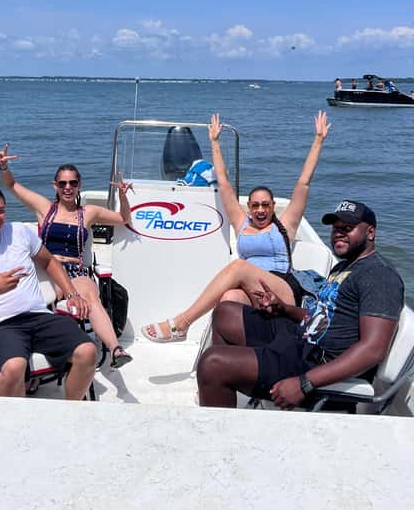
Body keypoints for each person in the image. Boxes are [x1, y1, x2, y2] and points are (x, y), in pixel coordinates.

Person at [141, 111, 331, 343]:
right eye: (255, 205)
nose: (261, 210)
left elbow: (304, 182)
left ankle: (182, 323)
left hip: (282, 289)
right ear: (249, 207)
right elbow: (223, 183)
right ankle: (221, 359)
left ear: (273, 206)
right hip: (251, 290)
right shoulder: (242, 224)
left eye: (265, 205)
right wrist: (214, 142)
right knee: (228, 299)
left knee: (240, 266)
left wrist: (319, 140)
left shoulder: (285, 225)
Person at [196, 200, 404, 408]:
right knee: (225, 312)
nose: (338, 233)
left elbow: (372, 349)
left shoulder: (379, 276)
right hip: (299, 339)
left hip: (315, 364)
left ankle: (222, 388)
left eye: (347, 228)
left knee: (212, 363)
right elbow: (320, 317)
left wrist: (305, 383)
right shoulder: (344, 268)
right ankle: (224, 390)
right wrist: (284, 309)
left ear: (370, 233)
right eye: (336, 229)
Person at [0, 185, 97, 399]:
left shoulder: (19, 232)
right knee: (15, 366)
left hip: (39, 317)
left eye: (0, 211)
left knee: (88, 352)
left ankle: (70, 412)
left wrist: (72, 293)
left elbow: (49, 261)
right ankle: (11, 426)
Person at [0, 145, 134, 368]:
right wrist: (3, 166)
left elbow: (123, 218)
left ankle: (115, 349)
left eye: (73, 183)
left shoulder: (89, 213)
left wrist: (123, 196)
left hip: (76, 271)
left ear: (79, 186)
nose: (68, 187)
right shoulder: (44, 207)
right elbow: (11, 185)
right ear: (55, 186)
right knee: (30, 299)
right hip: (46, 270)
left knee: (89, 295)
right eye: (63, 183)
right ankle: (24, 359)